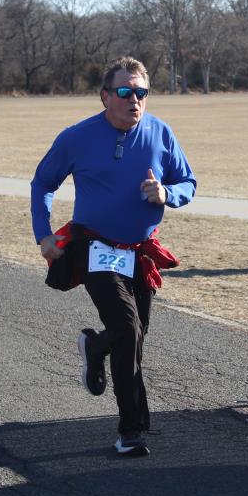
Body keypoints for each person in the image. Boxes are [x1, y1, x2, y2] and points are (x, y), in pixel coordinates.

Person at [30, 56, 196, 457]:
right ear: (105, 96)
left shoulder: (160, 133)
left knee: (133, 335)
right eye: (125, 92)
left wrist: (167, 194)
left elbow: (188, 182)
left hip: (139, 253)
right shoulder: (77, 137)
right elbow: (43, 183)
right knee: (126, 327)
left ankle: (95, 347)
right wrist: (43, 234)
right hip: (96, 248)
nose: (134, 99)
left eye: (141, 92)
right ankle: (131, 430)